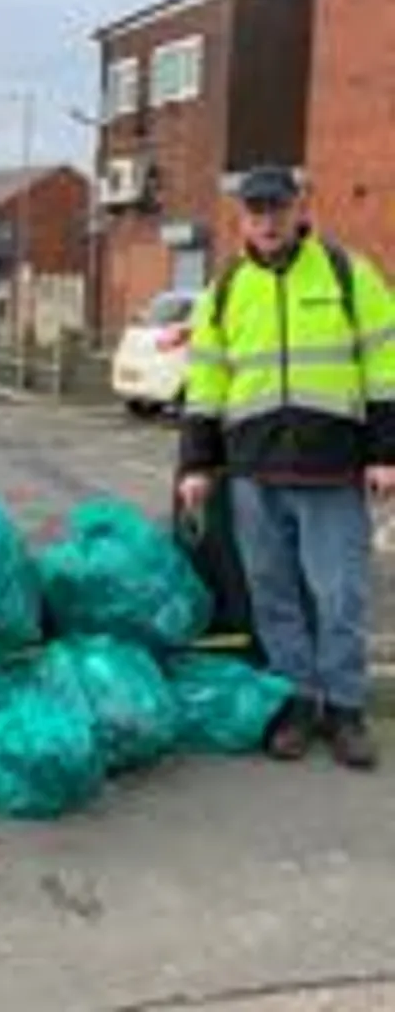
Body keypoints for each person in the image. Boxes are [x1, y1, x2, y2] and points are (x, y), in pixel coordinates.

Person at [178, 164, 395, 769]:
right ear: (242, 219)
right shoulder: (225, 290)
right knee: (273, 595)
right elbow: (206, 383)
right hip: (254, 471)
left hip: (332, 467)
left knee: (340, 594)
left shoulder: (349, 274)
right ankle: (296, 700)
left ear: (300, 209)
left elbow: (385, 367)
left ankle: (345, 708)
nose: (267, 221)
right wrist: (197, 464)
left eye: (277, 208)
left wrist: (385, 453)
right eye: (256, 211)